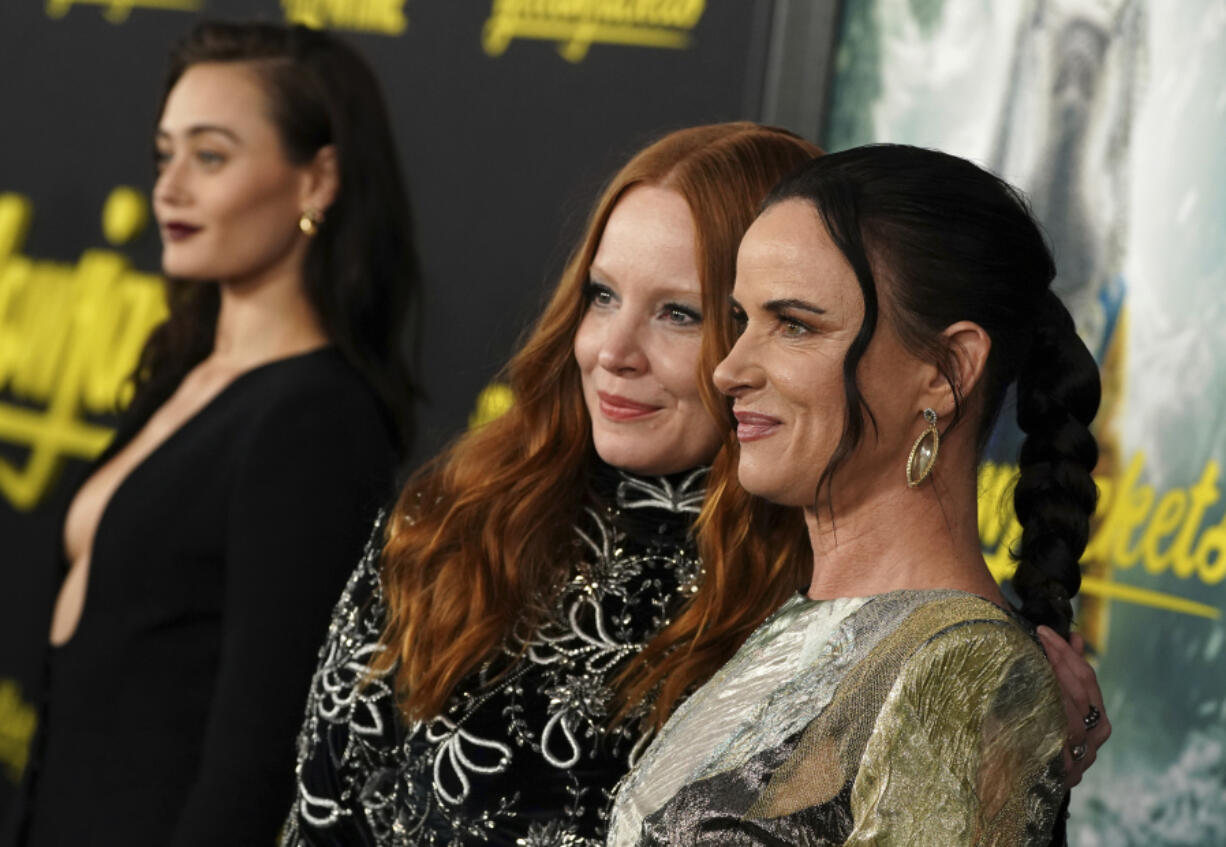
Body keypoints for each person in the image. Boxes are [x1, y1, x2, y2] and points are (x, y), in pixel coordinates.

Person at [283, 128, 1106, 847]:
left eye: (683, 312)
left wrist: (1012, 737)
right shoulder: (454, 528)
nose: (729, 365)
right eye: (602, 295)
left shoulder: (911, 638)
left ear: (946, 368)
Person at [607, 144, 1111, 845]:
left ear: (945, 370)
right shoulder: (796, 623)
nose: (728, 368)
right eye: (741, 318)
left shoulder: (959, 667)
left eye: (795, 324)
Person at [4, 21, 416, 847]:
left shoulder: (317, 422)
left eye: (212, 156)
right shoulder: (182, 375)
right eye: (165, 155)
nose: (170, 188)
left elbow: (257, 757)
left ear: (317, 180)